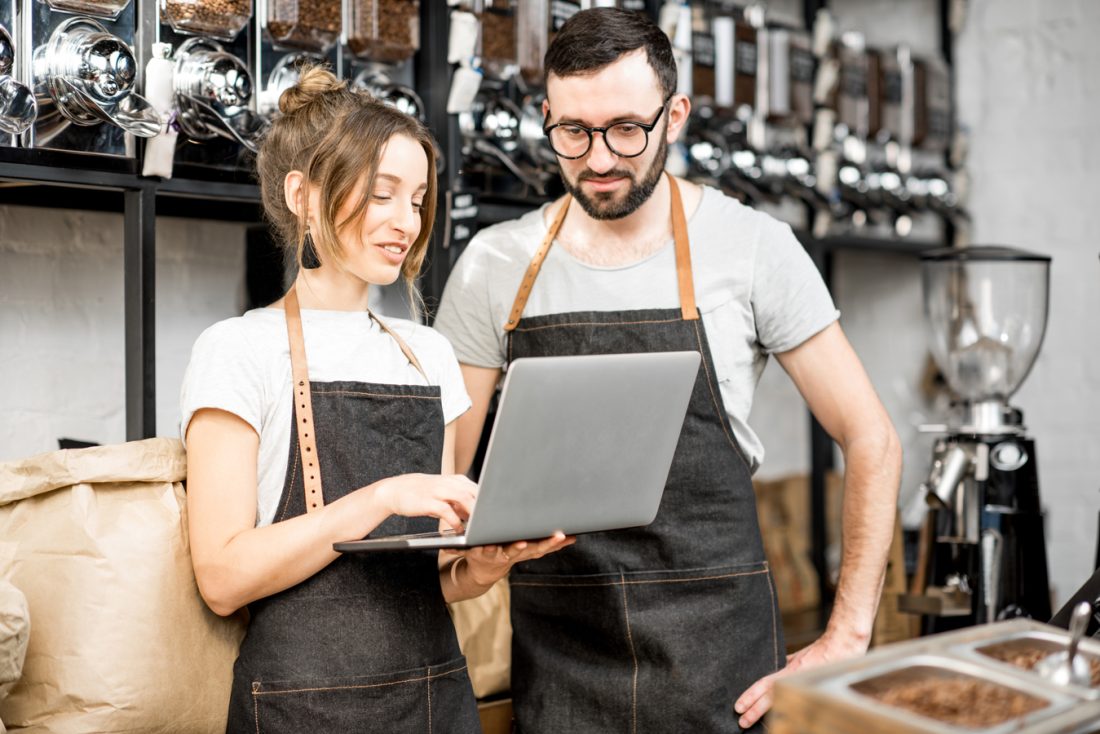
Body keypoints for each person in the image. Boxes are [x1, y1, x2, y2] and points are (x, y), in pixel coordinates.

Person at [434, 8, 902, 733]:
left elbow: (872, 437)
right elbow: (444, 483)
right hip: (560, 668)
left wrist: (846, 637)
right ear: (547, 117)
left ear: (675, 115)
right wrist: (471, 560)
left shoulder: (753, 249)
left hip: (721, 670)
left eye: (626, 129)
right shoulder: (495, 267)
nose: (597, 159)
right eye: (573, 132)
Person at [180, 67, 571, 733]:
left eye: (417, 200)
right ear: (302, 194)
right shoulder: (238, 349)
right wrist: (381, 498)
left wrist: (478, 567)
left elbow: (431, 578)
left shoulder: (428, 354)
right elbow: (221, 576)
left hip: (437, 697)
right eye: (383, 194)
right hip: (301, 707)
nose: (406, 222)